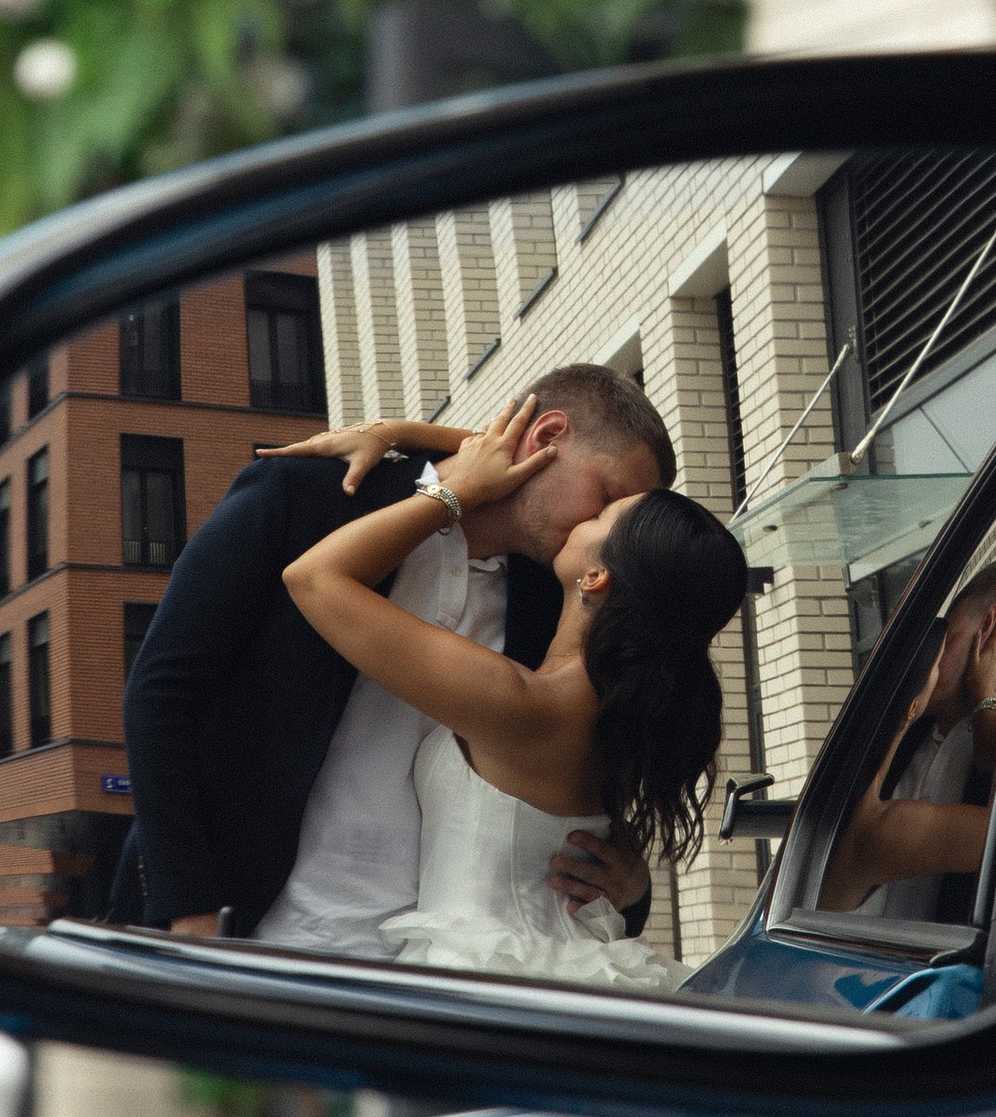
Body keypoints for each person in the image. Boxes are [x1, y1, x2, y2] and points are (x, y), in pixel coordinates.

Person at [120, 361, 673, 949]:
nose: (607, 535)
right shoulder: (310, 498)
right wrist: (190, 909)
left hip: (434, 961)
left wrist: (631, 888)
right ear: (546, 438)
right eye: (608, 499)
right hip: (248, 935)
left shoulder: (560, 600)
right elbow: (161, 693)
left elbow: (581, 778)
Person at [283, 394, 750, 993]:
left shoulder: (526, 705)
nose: (583, 512)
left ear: (597, 575)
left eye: (602, 514)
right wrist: (402, 432)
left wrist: (456, 492)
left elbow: (317, 579)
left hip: (484, 976)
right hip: (567, 965)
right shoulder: (622, 710)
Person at [820, 560, 996, 916]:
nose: (939, 657)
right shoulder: (884, 829)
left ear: (987, 629)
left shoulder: (846, 775)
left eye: (947, 637)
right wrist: (985, 698)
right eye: (934, 654)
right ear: (910, 708)